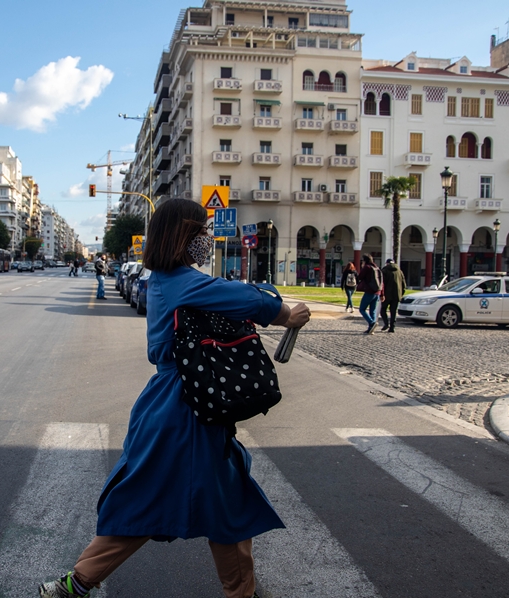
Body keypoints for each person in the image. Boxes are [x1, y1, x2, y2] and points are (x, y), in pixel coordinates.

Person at [38, 198, 310, 598]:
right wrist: (283, 311)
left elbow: (230, 294)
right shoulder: (180, 282)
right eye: (202, 230)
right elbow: (242, 298)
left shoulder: (170, 280)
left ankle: (76, 585)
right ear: (184, 235)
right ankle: (75, 584)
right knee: (188, 500)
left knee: (208, 497)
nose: (207, 238)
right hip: (183, 408)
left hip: (178, 405)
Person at [356, 255, 383, 334]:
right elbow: (382, 282)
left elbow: (360, 277)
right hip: (377, 292)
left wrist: (362, 267)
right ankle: (371, 328)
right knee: (373, 311)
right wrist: (382, 294)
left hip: (369, 291)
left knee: (362, 309)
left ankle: (372, 323)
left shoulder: (367, 268)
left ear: (365, 261)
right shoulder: (377, 268)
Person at [380, 259, 406, 333]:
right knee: (393, 311)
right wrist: (401, 293)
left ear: (387, 264)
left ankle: (386, 323)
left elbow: (382, 284)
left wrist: (382, 294)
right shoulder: (399, 271)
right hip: (396, 295)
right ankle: (392, 327)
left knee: (383, 309)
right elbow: (404, 284)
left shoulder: (384, 271)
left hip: (387, 295)